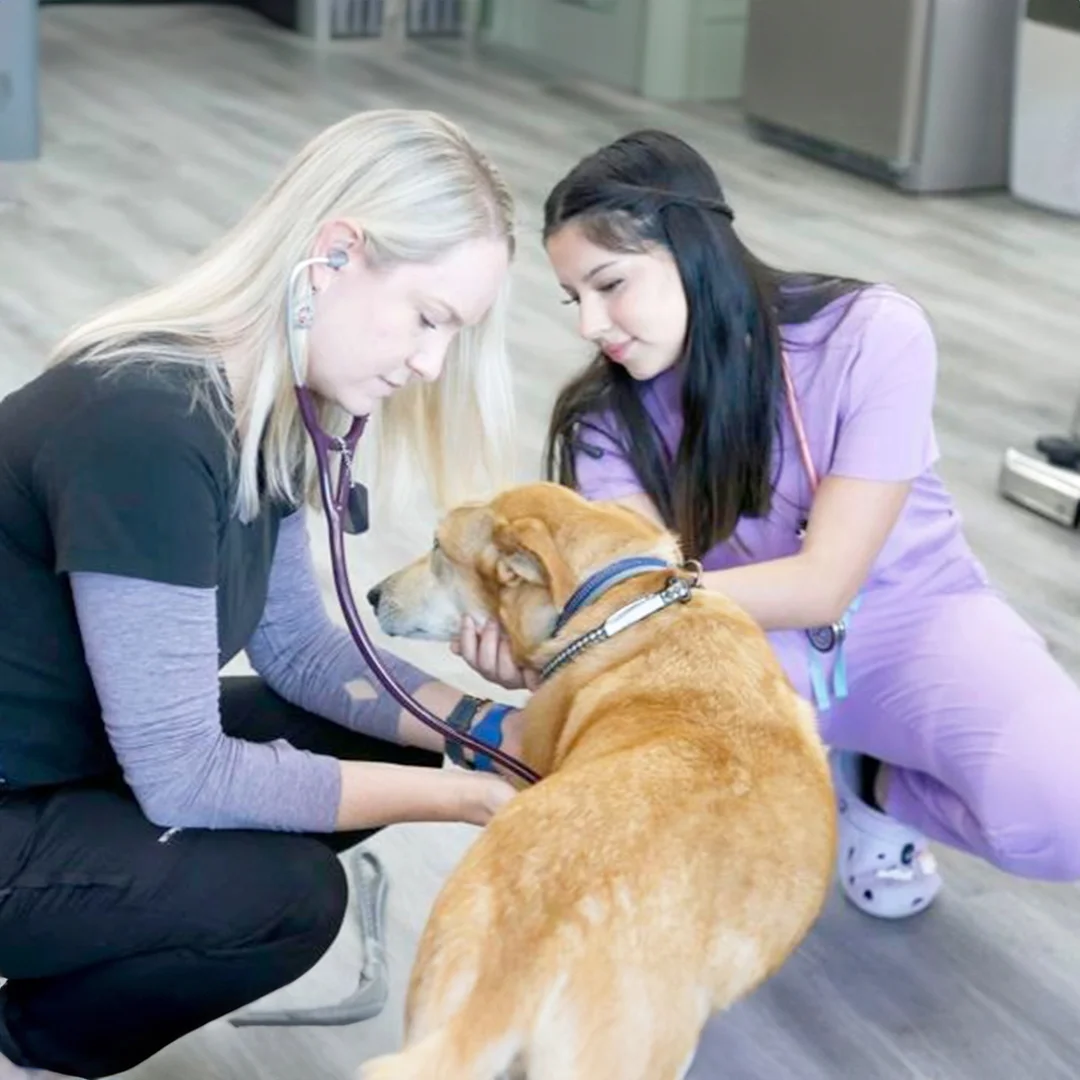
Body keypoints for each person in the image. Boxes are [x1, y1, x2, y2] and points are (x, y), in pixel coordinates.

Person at [0, 108, 530, 1080]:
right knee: (287, 897)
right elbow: (184, 776)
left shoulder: (274, 409)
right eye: (427, 318)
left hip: (58, 751)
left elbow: (301, 651)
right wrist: (467, 799)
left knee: (370, 730)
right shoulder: (147, 426)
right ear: (334, 253)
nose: (429, 365)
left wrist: (496, 731)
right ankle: (33, 1044)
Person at [458, 128, 1080, 922]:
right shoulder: (605, 424)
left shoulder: (873, 334)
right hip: (738, 653)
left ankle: (870, 785)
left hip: (918, 619)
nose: (589, 325)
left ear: (692, 247)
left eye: (609, 285)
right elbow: (629, 601)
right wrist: (545, 653)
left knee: (1064, 818)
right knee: (650, 861)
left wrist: (598, 622)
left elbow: (819, 585)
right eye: (575, 299)